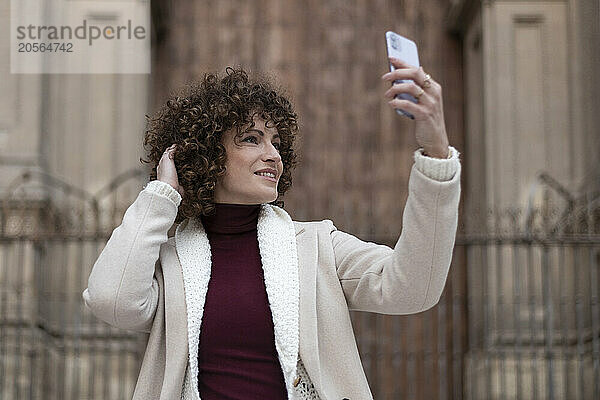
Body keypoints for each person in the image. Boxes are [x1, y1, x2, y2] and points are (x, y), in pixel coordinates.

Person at [82, 62, 461, 400]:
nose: (273, 154)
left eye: (276, 142)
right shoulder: (169, 262)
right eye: (252, 138)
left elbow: (413, 288)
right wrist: (162, 196)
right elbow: (110, 301)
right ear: (206, 153)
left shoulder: (317, 247)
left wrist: (436, 155)